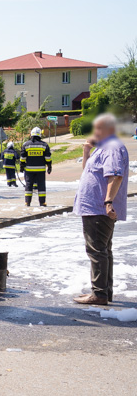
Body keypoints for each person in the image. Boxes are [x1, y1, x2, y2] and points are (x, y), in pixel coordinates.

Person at [73, 113, 129, 306]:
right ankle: (104, 291)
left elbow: (115, 176)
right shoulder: (102, 148)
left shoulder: (112, 147)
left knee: (97, 251)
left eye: (98, 128)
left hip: (98, 208)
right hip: (93, 207)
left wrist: (108, 202)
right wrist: (86, 150)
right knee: (103, 250)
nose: (94, 132)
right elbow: (87, 171)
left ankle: (99, 294)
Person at [19, 127, 52, 206]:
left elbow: (23, 157)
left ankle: (27, 202)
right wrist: (49, 166)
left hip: (29, 170)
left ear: (31, 135)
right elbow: (48, 157)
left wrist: (21, 166)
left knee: (28, 185)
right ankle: (42, 202)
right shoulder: (44, 145)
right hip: (40, 170)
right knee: (41, 186)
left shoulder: (26, 145)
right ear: (40, 135)